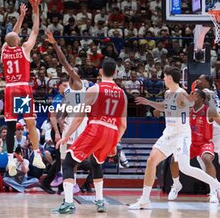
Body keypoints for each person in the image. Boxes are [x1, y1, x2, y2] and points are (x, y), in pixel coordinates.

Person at [129, 67, 220, 209]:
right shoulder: (167, 93)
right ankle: (145, 200)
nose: (164, 79)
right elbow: (165, 107)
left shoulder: (182, 94)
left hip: (182, 136)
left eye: (165, 77)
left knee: (186, 168)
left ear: (170, 78)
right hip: (168, 135)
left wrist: (192, 97)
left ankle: (216, 185)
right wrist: (149, 102)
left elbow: (189, 102)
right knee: (151, 161)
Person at [53, 60, 127, 214]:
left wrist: (66, 136)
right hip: (112, 131)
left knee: (68, 162)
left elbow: (79, 117)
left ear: (100, 72)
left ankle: (68, 203)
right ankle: (100, 201)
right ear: (115, 73)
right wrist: (115, 142)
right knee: (95, 162)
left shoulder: (94, 89)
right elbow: (124, 124)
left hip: (96, 127)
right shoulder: (122, 94)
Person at [1, 0, 45, 177]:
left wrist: (20, 17)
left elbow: (12, 35)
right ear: (18, 40)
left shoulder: (4, 50)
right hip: (22, 88)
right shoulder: (25, 49)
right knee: (30, 122)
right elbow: (35, 30)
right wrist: (36, 11)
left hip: (9, 88)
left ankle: (11, 160)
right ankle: (37, 154)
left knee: (11, 126)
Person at [45, 30, 88, 193]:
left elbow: (63, 61)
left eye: (74, 70)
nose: (71, 71)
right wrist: (61, 120)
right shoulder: (68, 89)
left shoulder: (78, 82)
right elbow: (63, 107)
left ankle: (71, 180)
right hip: (70, 120)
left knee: (71, 152)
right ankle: (68, 180)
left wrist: (54, 44)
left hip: (79, 121)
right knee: (65, 152)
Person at [168, 89, 220, 203]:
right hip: (189, 143)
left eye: (194, 95)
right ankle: (176, 184)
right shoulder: (187, 110)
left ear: (201, 99)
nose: (191, 96)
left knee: (207, 159)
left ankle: (213, 192)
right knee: (173, 159)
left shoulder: (209, 111)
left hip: (204, 143)